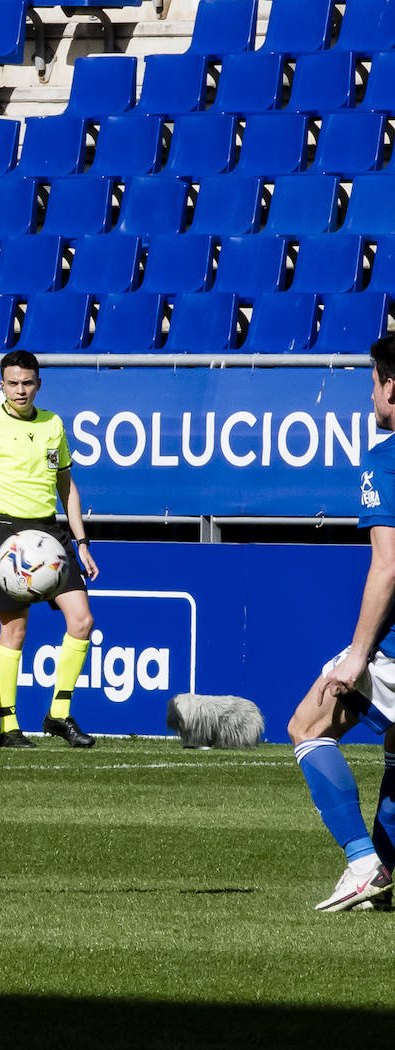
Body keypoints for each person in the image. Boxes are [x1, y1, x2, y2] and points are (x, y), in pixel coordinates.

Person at [287, 334, 395, 913]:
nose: (371, 393)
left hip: (394, 650)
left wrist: (358, 654)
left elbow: (389, 564)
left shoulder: (386, 456)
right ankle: (383, 870)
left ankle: (362, 861)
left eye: (373, 380)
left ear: (390, 384)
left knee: (308, 727)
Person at [0, 349, 99, 749]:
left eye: (27, 383)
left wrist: (83, 541)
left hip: (51, 534)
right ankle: (8, 726)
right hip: (6, 533)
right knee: (14, 630)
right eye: (12, 383)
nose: (20, 390)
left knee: (82, 621)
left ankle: (58, 714)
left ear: (38, 383)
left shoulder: (53, 423)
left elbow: (66, 485)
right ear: (1, 385)